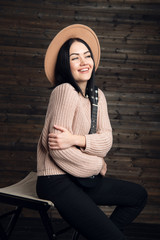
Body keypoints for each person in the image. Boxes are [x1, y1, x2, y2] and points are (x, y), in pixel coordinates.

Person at [36, 24, 147, 240]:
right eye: (75, 57)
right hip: (56, 181)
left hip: (81, 177)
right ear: (65, 64)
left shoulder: (97, 96)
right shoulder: (64, 91)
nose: (84, 62)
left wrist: (75, 139)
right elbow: (57, 150)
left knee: (138, 196)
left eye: (87, 55)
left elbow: (106, 140)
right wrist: (98, 164)